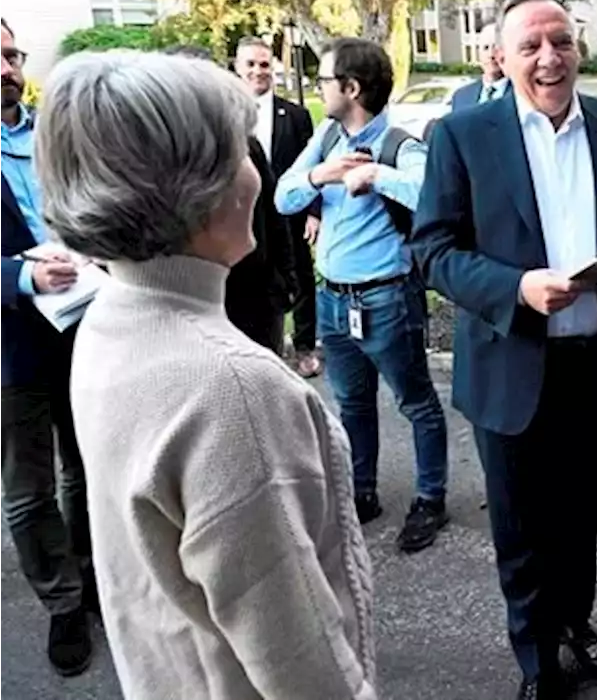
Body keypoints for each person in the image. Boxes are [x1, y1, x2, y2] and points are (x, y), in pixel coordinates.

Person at [34, 49, 376, 699]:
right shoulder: (232, 388)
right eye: (238, 151)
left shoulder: (110, 319)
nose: (255, 170)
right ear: (198, 190)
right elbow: (302, 663)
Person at [413, 0, 597, 700]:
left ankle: (575, 620)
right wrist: (516, 289)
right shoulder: (463, 135)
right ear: (499, 57)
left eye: (560, 41)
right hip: (511, 366)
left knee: (581, 516)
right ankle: (537, 660)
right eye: (530, 45)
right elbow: (433, 252)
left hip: (596, 367)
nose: (549, 57)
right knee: (521, 529)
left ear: (578, 48)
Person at [276, 38, 449, 554]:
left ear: (351, 88)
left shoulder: (401, 145)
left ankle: (430, 498)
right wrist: (319, 175)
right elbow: (285, 194)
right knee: (352, 404)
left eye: (325, 80)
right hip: (333, 301)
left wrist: (377, 176)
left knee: (416, 402)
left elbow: (432, 198)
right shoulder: (327, 137)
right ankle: (362, 491)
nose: (319, 88)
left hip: (386, 300)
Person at [0, 16, 95, 678]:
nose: (7, 68)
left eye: (11, 54)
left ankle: (91, 574)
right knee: (28, 490)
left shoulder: (50, 132)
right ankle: (63, 603)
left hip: (84, 324)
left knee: (86, 467)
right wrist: (21, 275)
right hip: (10, 345)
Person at [167, 44, 299, 352]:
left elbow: (273, 214)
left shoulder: (246, 144)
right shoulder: (157, 159)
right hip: (193, 304)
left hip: (256, 299)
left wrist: (286, 277)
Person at [235, 37, 322, 374]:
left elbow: (314, 164)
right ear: (238, 68)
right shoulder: (227, 118)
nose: (258, 71)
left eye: (264, 64)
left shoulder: (296, 116)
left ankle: (303, 346)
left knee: (300, 275)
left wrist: (314, 211)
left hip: (292, 212)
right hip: (245, 214)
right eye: (251, 64)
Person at [450, 23, 508, 110]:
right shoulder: (461, 97)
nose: (491, 54)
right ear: (478, 53)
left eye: (497, 48)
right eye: (485, 48)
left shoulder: (522, 94)